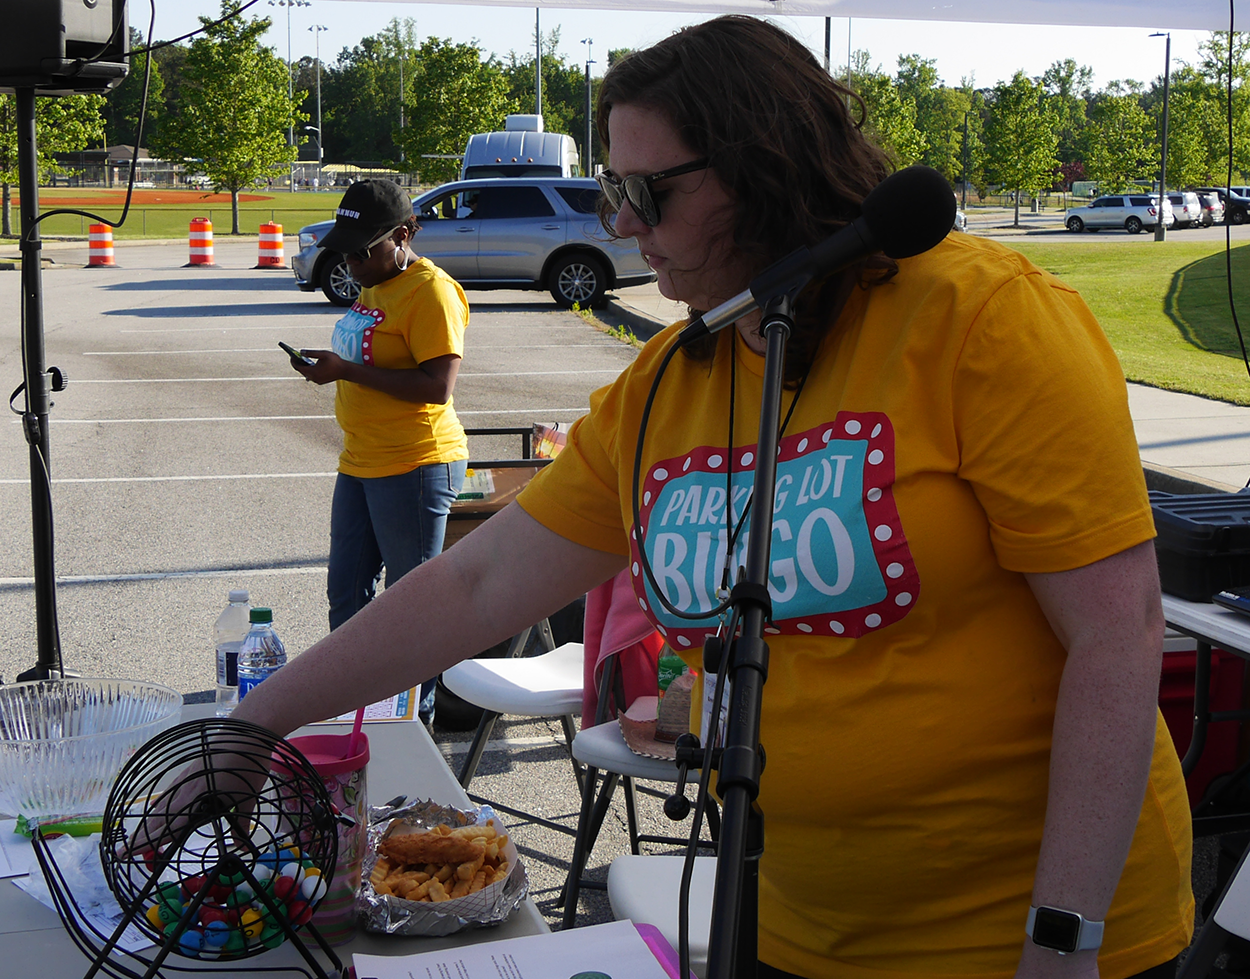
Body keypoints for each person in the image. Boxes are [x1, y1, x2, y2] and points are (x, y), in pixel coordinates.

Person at [229, 17, 1190, 979]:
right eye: (615, 192)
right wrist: (253, 724)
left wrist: (1062, 939)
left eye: (647, 193)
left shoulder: (987, 319)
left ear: (767, 171)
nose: (623, 226)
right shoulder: (669, 380)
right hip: (785, 926)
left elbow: (1117, 632)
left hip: (1030, 940)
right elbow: (475, 585)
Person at [292, 179, 469, 726]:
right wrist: (335, 372)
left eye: (363, 249)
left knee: (409, 611)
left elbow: (438, 386)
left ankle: (415, 730)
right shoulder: (373, 282)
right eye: (344, 250)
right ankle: (358, 719)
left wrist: (346, 371)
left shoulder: (431, 292)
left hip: (415, 463)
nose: (351, 261)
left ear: (406, 234)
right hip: (362, 459)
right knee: (346, 595)